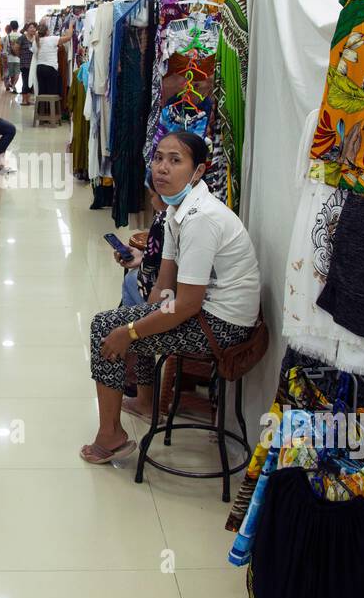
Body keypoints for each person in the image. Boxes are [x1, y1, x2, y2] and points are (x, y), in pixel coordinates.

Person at [81, 130, 261, 464]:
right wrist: (141, 320)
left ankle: (111, 436)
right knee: (135, 318)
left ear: (199, 171)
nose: (162, 168)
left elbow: (188, 304)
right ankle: (144, 405)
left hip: (224, 327)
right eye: (158, 158)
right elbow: (165, 286)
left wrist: (130, 331)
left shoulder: (200, 218)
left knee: (106, 327)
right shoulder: (175, 213)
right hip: (208, 313)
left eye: (175, 160)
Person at [34, 20, 71, 99]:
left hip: (39, 68)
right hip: (50, 68)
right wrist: (71, 25)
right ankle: (52, 110)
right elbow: (68, 38)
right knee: (52, 92)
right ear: (47, 31)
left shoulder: (36, 41)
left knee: (42, 91)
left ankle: (42, 110)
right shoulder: (52, 39)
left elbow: (35, 53)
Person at [17, 21, 37, 105]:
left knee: (31, 82)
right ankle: (24, 100)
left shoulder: (36, 38)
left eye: (34, 27)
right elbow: (16, 48)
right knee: (25, 81)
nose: (33, 29)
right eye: (31, 27)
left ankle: (28, 99)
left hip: (33, 64)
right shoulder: (22, 37)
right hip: (25, 64)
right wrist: (20, 56)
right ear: (27, 29)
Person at [4, 20, 23, 92]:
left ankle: (13, 86)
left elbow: (5, 49)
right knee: (17, 73)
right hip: (18, 58)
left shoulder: (8, 36)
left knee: (11, 74)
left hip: (10, 58)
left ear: (11, 27)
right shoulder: (21, 35)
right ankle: (14, 85)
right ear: (18, 27)